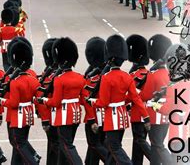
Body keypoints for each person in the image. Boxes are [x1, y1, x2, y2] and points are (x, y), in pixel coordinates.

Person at [88, 34, 150, 165]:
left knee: (113, 147)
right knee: (112, 149)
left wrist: (92, 102)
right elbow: (135, 98)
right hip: (122, 117)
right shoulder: (127, 76)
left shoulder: (106, 77)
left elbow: (103, 102)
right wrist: (146, 117)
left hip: (112, 118)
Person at [40, 37, 85, 164]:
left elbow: (55, 102)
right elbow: (83, 99)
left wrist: (43, 100)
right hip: (76, 115)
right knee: (66, 146)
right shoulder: (80, 77)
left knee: (66, 146)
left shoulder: (59, 79)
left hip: (63, 116)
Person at [0, 40, 40, 165]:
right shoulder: (32, 78)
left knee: (18, 143)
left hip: (17, 116)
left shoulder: (15, 81)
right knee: (21, 142)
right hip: (28, 114)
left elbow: (13, 103)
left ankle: (33, 159)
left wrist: (1, 101)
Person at [141, 35, 173, 165]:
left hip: (155, 114)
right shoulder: (170, 73)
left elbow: (145, 95)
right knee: (155, 147)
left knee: (157, 145)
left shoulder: (153, 75)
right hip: (166, 115)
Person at [81, 37, 108, 165]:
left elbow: (86, 100)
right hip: (106, 116)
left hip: (95, 116)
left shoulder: (93, 78)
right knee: (94, 147)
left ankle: (113, 161)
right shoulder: (105, 74)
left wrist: (91, 120)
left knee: (95, 144)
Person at [126, 35, 152, 165]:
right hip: (149, 111)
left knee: (139, 141)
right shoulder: (149, 74)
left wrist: (126, 106)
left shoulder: (135, 76)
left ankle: (157, 158)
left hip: (138, 113)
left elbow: (130, 96)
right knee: (138, 143)